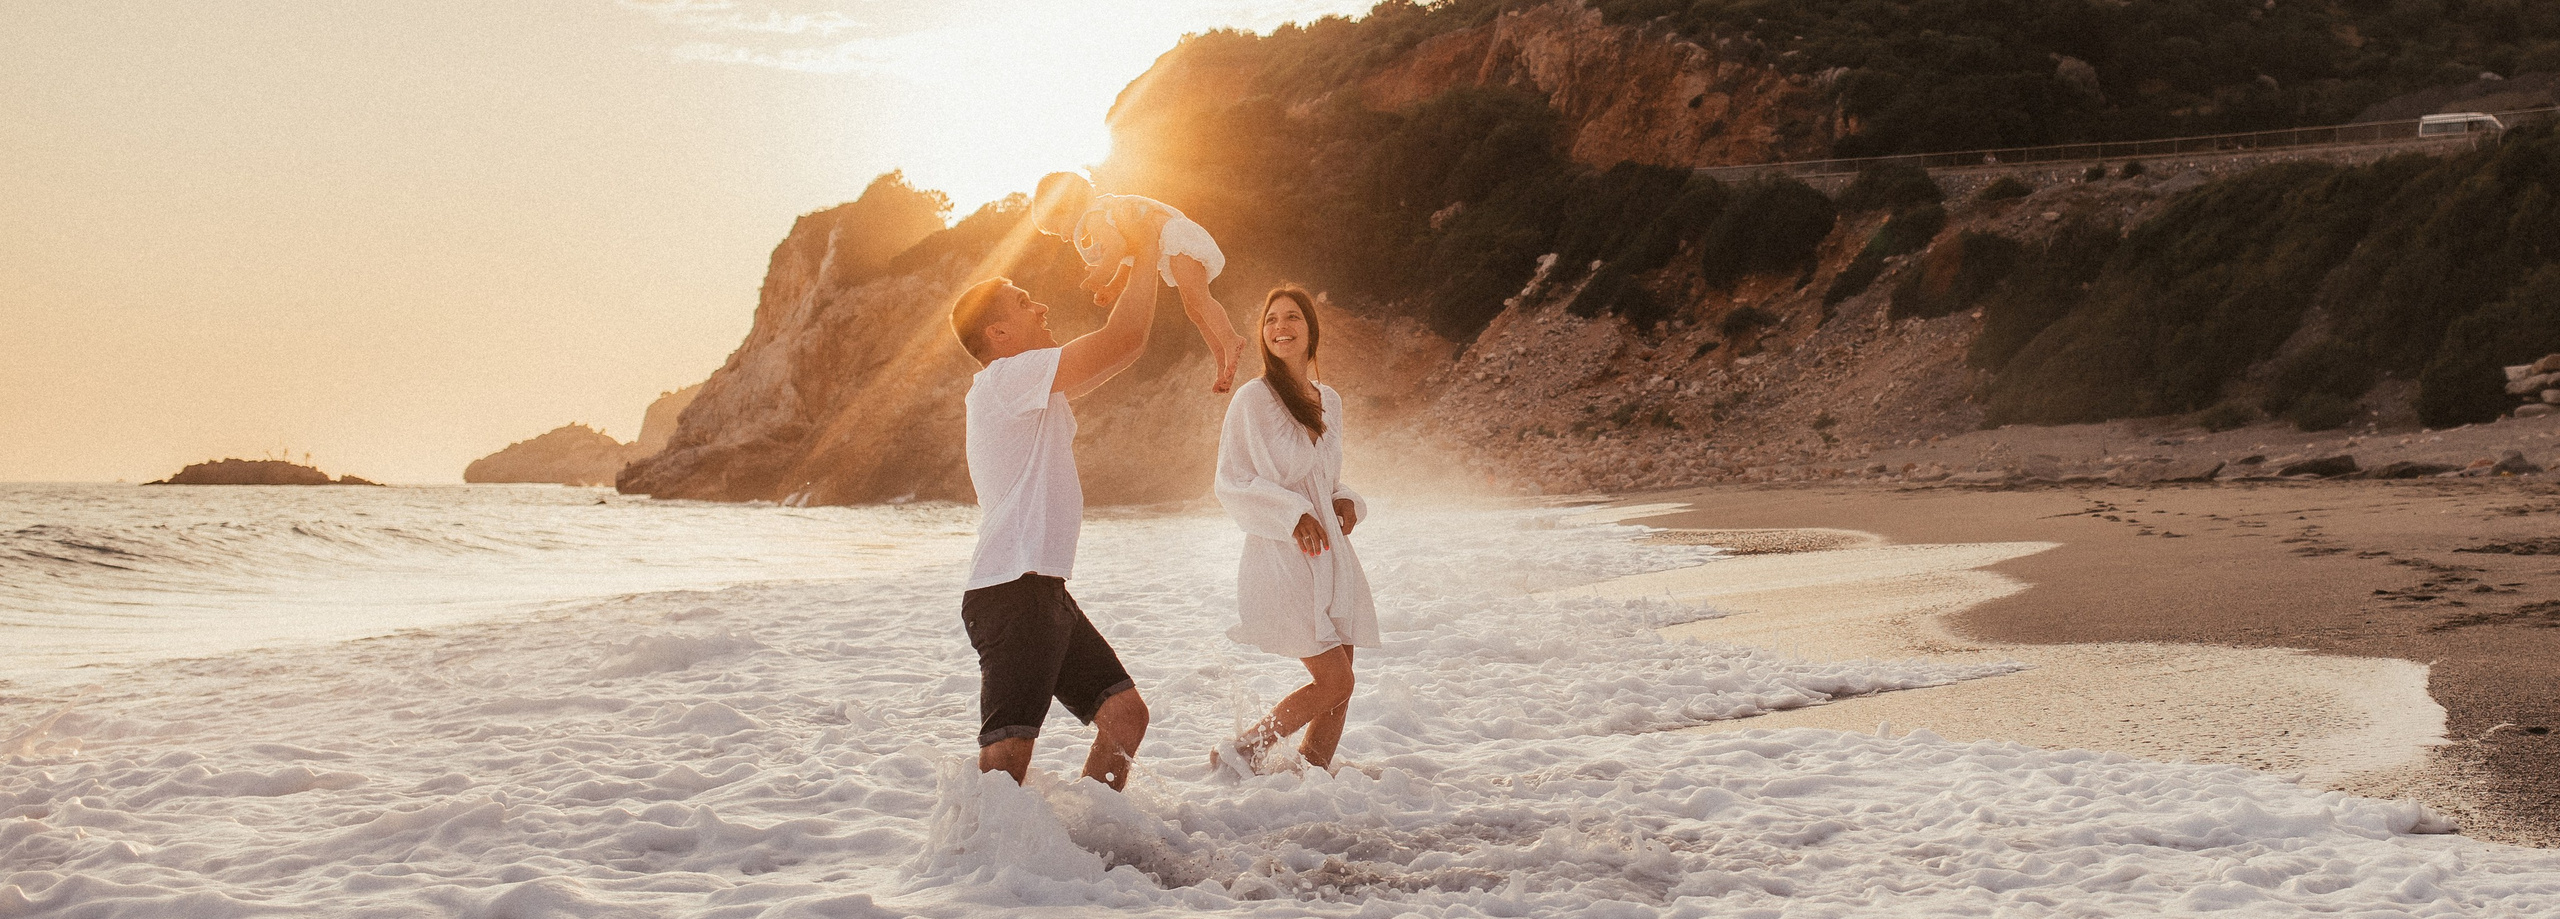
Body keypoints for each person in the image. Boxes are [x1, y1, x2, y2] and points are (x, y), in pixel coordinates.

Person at [944, 207, 1172, 791]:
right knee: (1006, 760)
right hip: (1012, 592)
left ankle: (1087, 848)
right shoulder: (1003, 379)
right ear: (997, 335)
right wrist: (1144, 251)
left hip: (1041, 589)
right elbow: (1121, 337)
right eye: (1024, 301)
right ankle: (982, 873)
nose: (1040, 306)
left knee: (1125, 717)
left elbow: (1125, 347)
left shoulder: (1034, 393)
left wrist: (1131, 272)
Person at [1209, 285, 1378, 777]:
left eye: (1292, 318)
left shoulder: (1330, 400)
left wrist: (1346, 501)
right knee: (1333, 680)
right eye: (1270, 320)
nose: (1280, 327)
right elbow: (1232, 479)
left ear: (1310, 330)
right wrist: (1291, 514)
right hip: (1284, 551)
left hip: (1329, 549)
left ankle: (1315, 777)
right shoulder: (1252, 399)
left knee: (1345, 676)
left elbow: (1322, 477)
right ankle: (1242, 751)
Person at [1031, 172, 1247, 395]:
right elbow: (1128, 259)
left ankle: (1232, 340)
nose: (1064, 238)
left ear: (1067, 207)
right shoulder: (1105, 213)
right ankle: (1223, 363)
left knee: (1199, 299)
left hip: (1176, 236)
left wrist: (1100, 275)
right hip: (1172, 242)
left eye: (1058, 229)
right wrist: (1113, 287)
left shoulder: (1094, 218)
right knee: (1194, 311)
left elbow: (1116, 248)